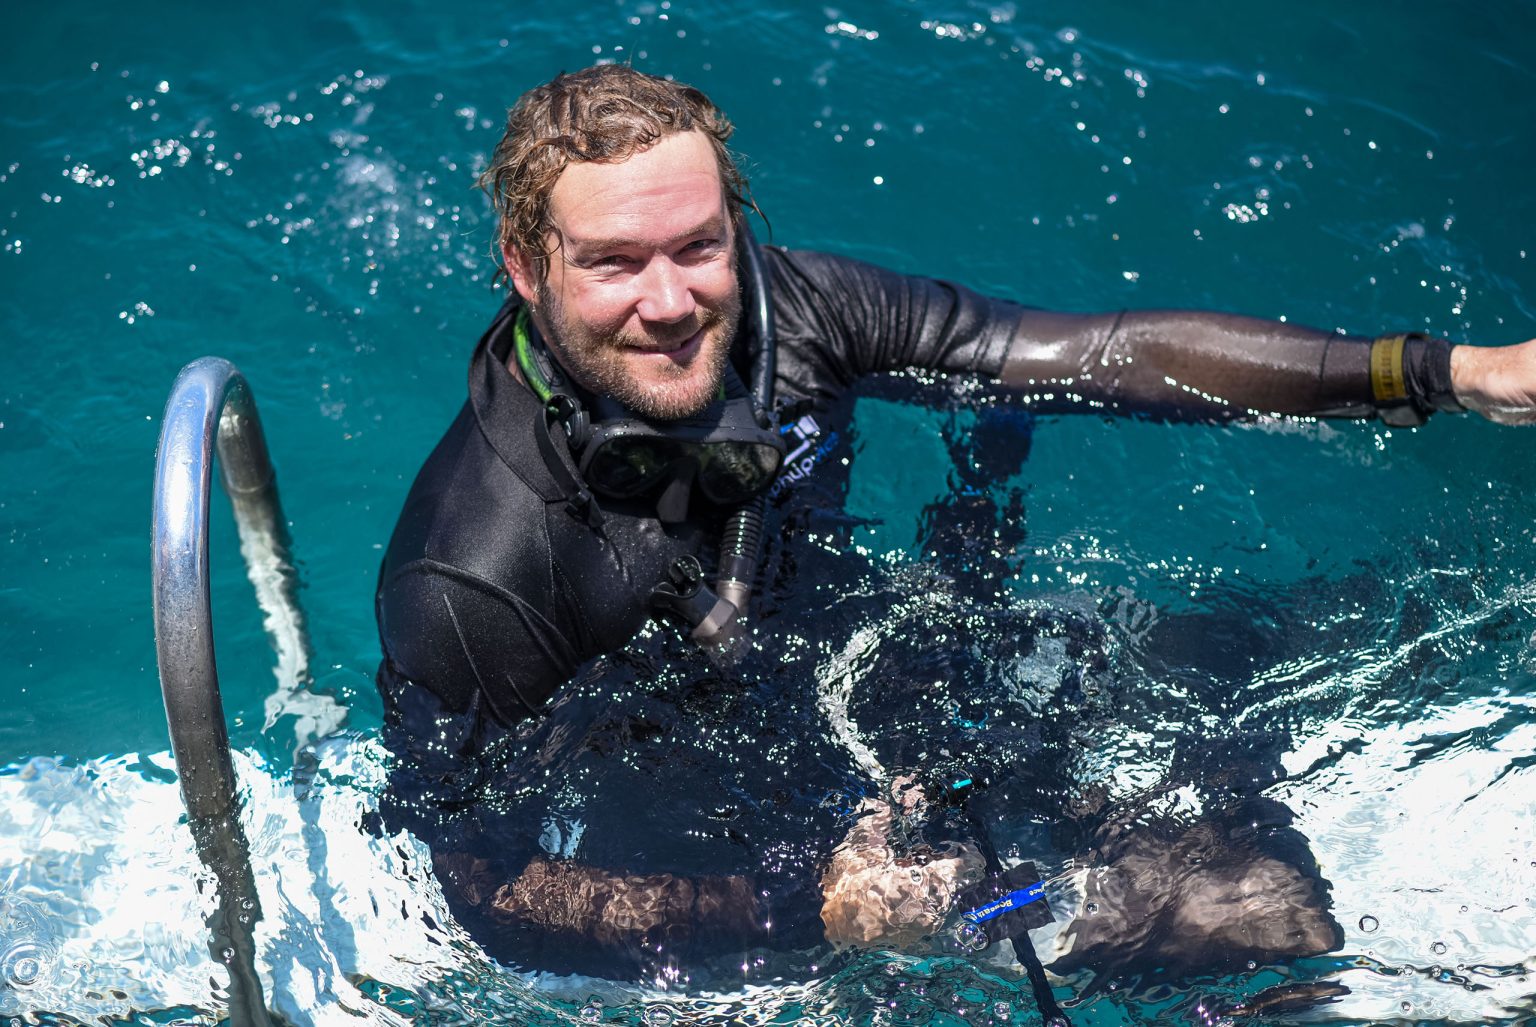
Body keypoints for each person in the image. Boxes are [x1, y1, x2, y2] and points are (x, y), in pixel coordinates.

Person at [374, 64, 1536, 987]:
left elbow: (1084, 356)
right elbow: (490, 892)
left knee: (1236, 704)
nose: (672, 302)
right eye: (613, 263)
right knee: (1212, 916)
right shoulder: (476, 572)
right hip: (692, 824)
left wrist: (1447, 371)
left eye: (698, 246)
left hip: (863, 665)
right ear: (526, 268)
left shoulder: (792, 307)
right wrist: (812, 912)